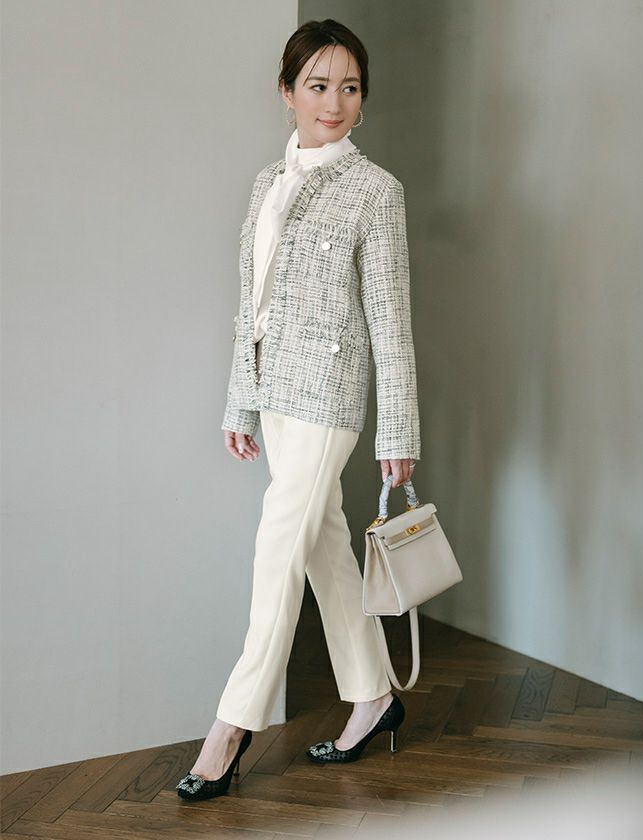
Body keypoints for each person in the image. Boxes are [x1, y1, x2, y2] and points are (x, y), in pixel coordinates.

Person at [177, 18, 420, 802]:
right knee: (323, 549)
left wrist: (398, 428)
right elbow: (249, 305)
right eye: (318, 85)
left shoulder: (376, 191)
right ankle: (373, 696)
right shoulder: (266, 184)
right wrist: (239, 402)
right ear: (287, 92)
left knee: (277, 549)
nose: (334, 102)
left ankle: (230, 727)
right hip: (274, 393)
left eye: (350, 87)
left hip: (328, 399)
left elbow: (391, 320)